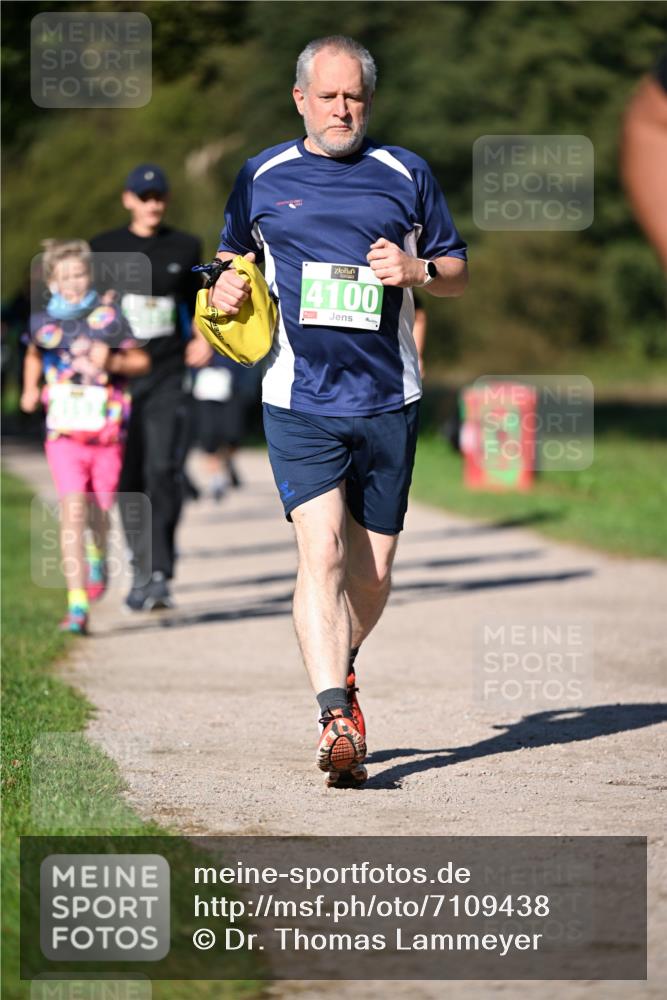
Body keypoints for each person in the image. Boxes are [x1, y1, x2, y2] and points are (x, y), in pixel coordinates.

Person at [211, 36, 468, 786]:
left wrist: (418, 270)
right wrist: (223, 285)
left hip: (388, 397)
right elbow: (231, 257)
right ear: (300, 99)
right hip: (299, 397)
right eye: (327, 96)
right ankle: (334, 716)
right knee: (319, 553)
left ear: (369, 100)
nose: (342, 109)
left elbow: (456, 269)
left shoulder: (405, 172)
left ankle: (342, 662)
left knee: (372, 573)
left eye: (354, 96)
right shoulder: (261, 175)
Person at [90, 165, 212, 611]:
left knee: (163, 468)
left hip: (167, 373)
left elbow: (199, 300)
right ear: (128, 200)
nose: (152, 204)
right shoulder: (103, 247)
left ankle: (160, 572)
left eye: (159, 196)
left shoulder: (185, 246)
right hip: (118, 378)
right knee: (129, 476)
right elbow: (84, 306)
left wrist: (203, 338)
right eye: (144, 197)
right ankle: (141, 568)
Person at [21, 239, 149, 634]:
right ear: (53, 283)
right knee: (73, 510)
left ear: (89, 275)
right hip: (63, 433)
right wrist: (29, 389)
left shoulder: (109, 317)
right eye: (66, 277)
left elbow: (141, 360)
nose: (74, 282)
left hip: (106, 433)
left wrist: (112, 359)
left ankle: (98, 552)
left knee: (100, 508)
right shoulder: (43, 322)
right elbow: (33, 353)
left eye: (79, 274)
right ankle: (77, 605)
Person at [192, 354, 259, 499]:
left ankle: (227, 460)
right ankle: (216, 478)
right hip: (205, 385)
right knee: (208, 436)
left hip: (234, 384)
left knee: (233, 435)